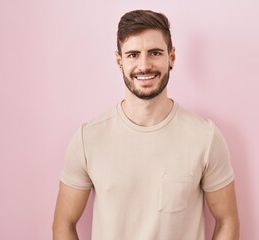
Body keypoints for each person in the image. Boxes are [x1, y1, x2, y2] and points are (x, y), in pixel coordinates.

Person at [53, 9, 239, 240]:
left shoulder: (206, 137)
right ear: (119, 61)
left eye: (154, 53)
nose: (144, 65)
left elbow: (227, 220)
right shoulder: (88, 139)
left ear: (171, 57)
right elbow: (63, 223)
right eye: (133, 54)